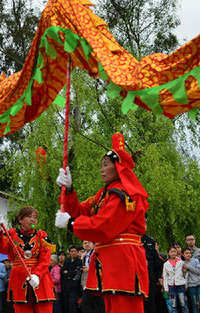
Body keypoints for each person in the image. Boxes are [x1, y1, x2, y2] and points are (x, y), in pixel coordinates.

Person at [55, 132, 149, 312]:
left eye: (105, 165)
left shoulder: (126, 195)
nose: (101, 169)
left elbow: (103, 227)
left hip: (123, 261)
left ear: (118, 167)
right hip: (108, 262)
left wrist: (71, 224)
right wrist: (69, 191)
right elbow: (82, 211)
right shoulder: (103, 195)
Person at [0, 206, 55, 313]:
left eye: (35, 217)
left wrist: (37, 275)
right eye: (29, 217)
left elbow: (45, 259)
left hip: (40, 278)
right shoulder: (11, 234)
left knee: (44, 308)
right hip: (19, 278)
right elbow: (2, 248)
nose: (33, 220)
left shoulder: (41, 235)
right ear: (20, 219)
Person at [80, 241, 104, 313]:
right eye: (85, 243)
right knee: (86, 304)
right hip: (87, 283)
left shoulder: (96, 253)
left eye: (88, 243)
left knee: (98, 304)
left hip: (96, 282)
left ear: (92, 244)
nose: (87, 244)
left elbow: (101, 266)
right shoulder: (84, 256)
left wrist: (89, 269)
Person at [163, 245, 188, 313]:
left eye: (174, 251)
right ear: (168, 253)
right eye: (171, 251)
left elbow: (185, 274)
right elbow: (165, 276)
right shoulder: (166, 264)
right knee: (173, 305)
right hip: (171, 286)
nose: (173, 253)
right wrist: (166, 288)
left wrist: (186, 284)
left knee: (183, 303)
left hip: (180, 285)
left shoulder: (181, 262)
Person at [62, 245, 82, 313]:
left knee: (72, 304)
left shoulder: (79, 262)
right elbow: (62, 272)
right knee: (66, 304)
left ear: (77, 252)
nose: (73, 253)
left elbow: (77, 272)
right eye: (71, 251)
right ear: (69, 253)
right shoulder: (67, 261)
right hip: (66, 286)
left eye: (74, 251)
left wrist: (68, 272)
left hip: (74, 286)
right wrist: (68, 273)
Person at [182, 247, 200, 313]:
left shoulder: (195, 261)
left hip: (198, 284)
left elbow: (198, 271)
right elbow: (182, 276)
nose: (188, 254)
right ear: (183, 254)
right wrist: (184, 271)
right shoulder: (182, 263)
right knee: (194, 303)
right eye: (186, 253)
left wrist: (188, 267)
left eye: (189, 253)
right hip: (190, 286)